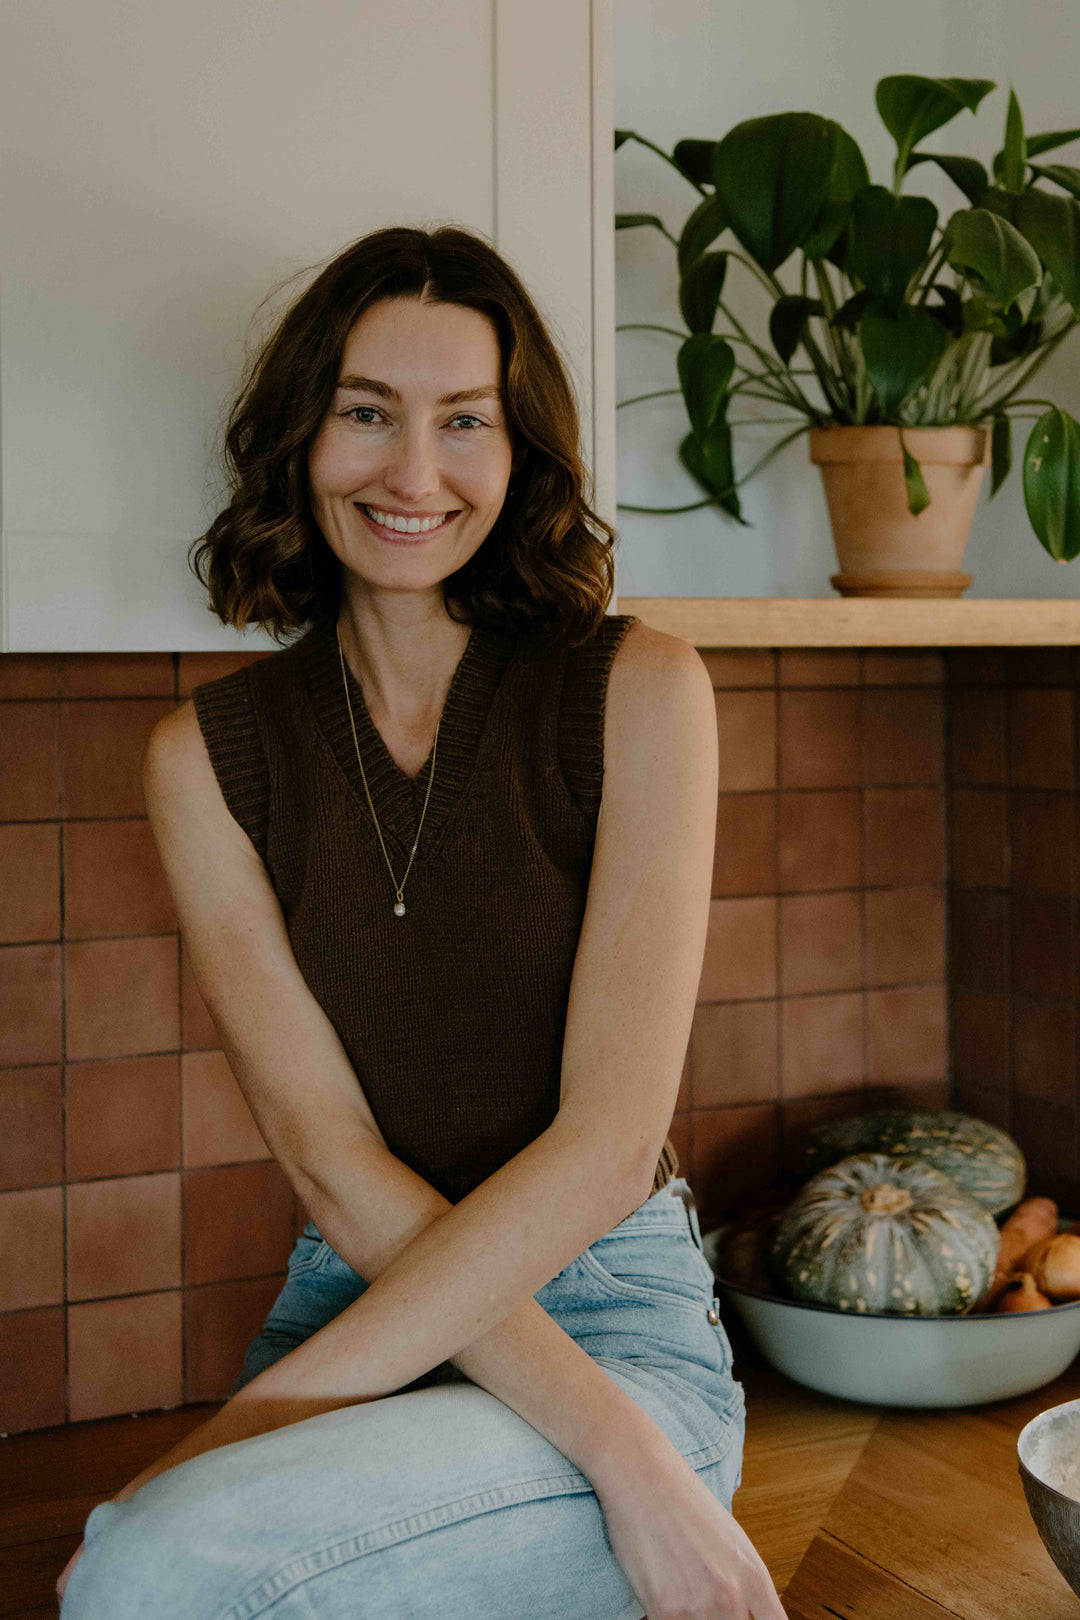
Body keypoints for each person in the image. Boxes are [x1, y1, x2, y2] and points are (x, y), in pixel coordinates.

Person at [57, 224, 785, 1620]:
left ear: (520, 460)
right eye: (365, 414)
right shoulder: (203, 759)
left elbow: (604, 1148)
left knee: (151, 1572)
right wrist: (240, 1444)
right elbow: (331, 1165)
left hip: (613, 1320)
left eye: (465, 422)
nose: (414, 472)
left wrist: (629, 1435)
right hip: (354, 1312)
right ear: (299, 439)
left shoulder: (640, 693)